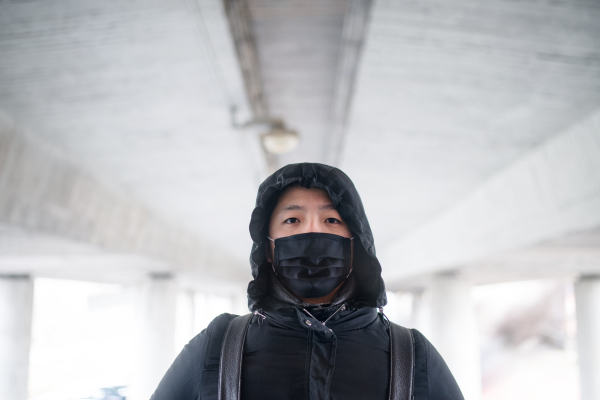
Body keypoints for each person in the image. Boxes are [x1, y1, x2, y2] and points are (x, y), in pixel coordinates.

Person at [150, 163, 464, 400]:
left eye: (332, 220)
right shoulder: (220, 344)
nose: (311, 233)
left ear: (356, 246)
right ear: (268, 248)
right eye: (292, 220)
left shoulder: (410, 352)